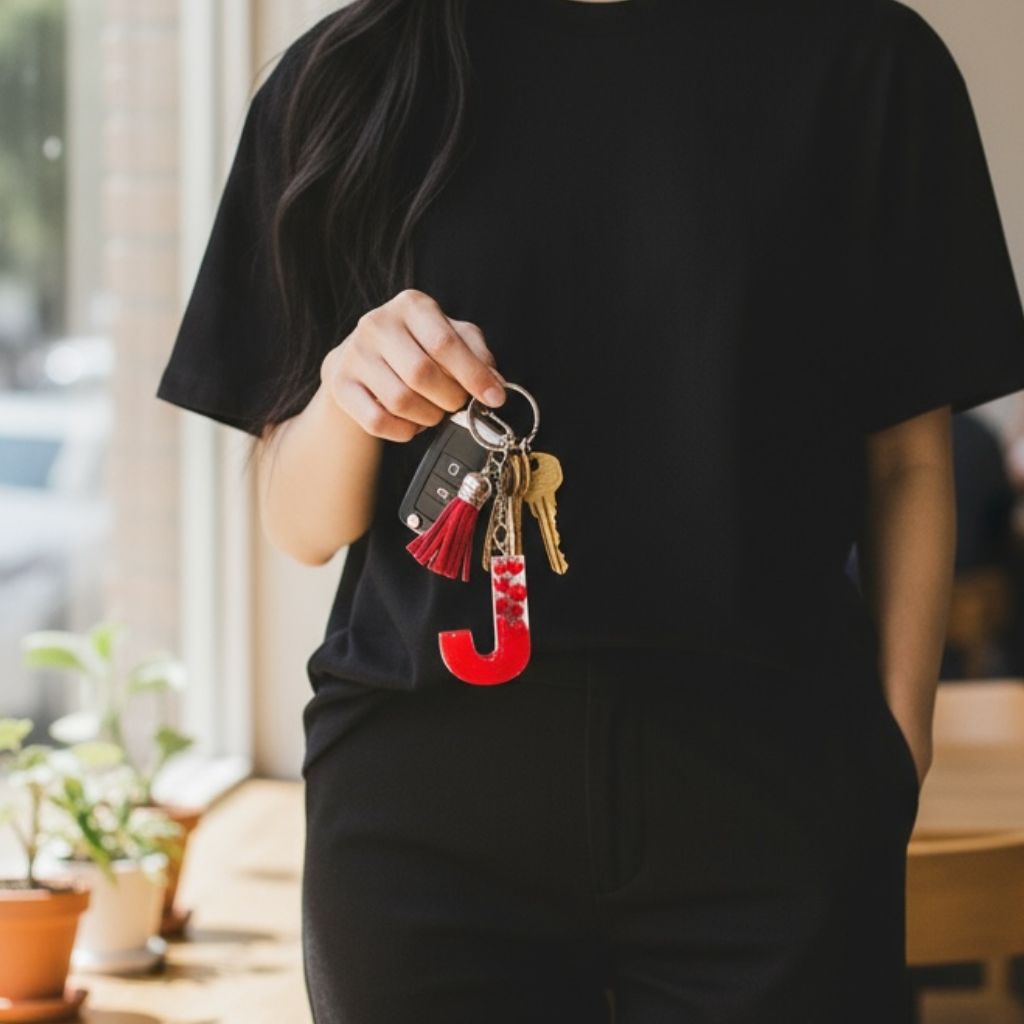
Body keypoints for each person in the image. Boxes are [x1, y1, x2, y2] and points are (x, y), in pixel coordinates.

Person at [155, 0, 1024, 1020]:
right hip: (424, 810)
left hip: (774, 789)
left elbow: (904, 462)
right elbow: (297, 525)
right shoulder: (349, 70)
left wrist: (894, 747)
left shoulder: (868, 60)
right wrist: (351, 388)